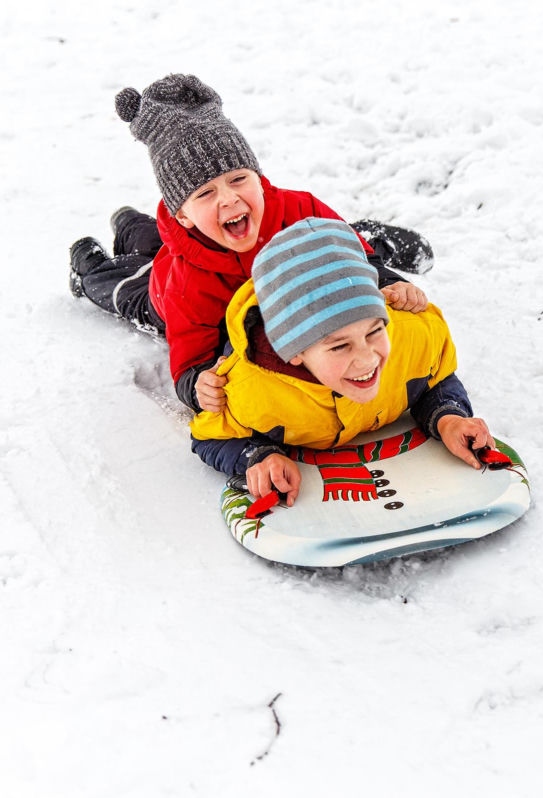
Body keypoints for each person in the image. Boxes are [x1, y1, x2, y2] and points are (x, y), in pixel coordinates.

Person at [68, 73, 432, 414]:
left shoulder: (300, 210)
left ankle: (129, 221)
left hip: (263, 270)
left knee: (338, 242)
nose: (228, 199)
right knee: (132, 283)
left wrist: (385, 281)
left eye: (238, 179)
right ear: (183, 215)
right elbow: (189, 362)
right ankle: (92, 264)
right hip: (160, 290)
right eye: (206, 193)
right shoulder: (185, 282)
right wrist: (198, 385)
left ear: (258, 178)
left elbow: (349, 258)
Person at [190, 217, 494, 506]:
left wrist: (448, 417)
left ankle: (370, 237)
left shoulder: (411, 335)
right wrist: (258, 456)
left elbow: (433, 377)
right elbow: (209, 436)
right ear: (295, 353)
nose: (366, 359)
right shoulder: (250, 391)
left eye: (375, 331)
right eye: (340, 347)